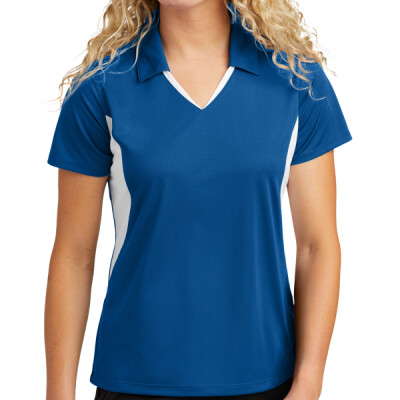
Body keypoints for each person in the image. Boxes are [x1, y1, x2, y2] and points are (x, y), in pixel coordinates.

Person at [44, 1, 353, 399]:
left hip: (265, 378)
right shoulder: (101, 87)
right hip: (134, 377)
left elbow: (316, 246)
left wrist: (308, 384)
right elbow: (74, 254)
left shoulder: (296, 81)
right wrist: (58, 393)